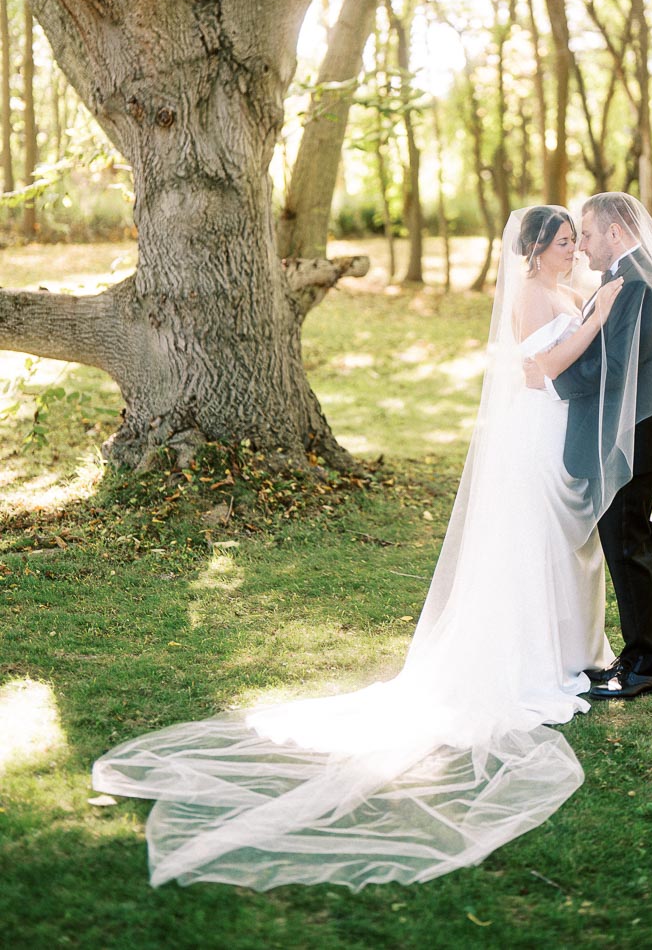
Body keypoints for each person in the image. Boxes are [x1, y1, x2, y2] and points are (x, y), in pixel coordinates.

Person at [92, 206, 624, 892]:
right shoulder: (530, 293)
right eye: (562, 240)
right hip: (534, 429)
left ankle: (572, 648)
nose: (573, 246)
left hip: (562, 431)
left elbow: (582, 346)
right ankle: (529, 660)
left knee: (564, 548)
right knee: (533, 549)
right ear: (535, 251)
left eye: (574, 239)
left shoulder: (572, 287)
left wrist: (595, 309)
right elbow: (538, 367)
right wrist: (597, 319)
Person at [525, 193, 652, 700]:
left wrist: (550, 377)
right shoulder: (630, 275)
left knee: (628, 546)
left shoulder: (636, 282)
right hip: (637, 431)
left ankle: (645, 666)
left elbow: (615, 366)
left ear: (615, 233)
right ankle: (637, 654)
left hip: (636, 434)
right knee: (631, 543)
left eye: (586, 233)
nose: (581, 245)